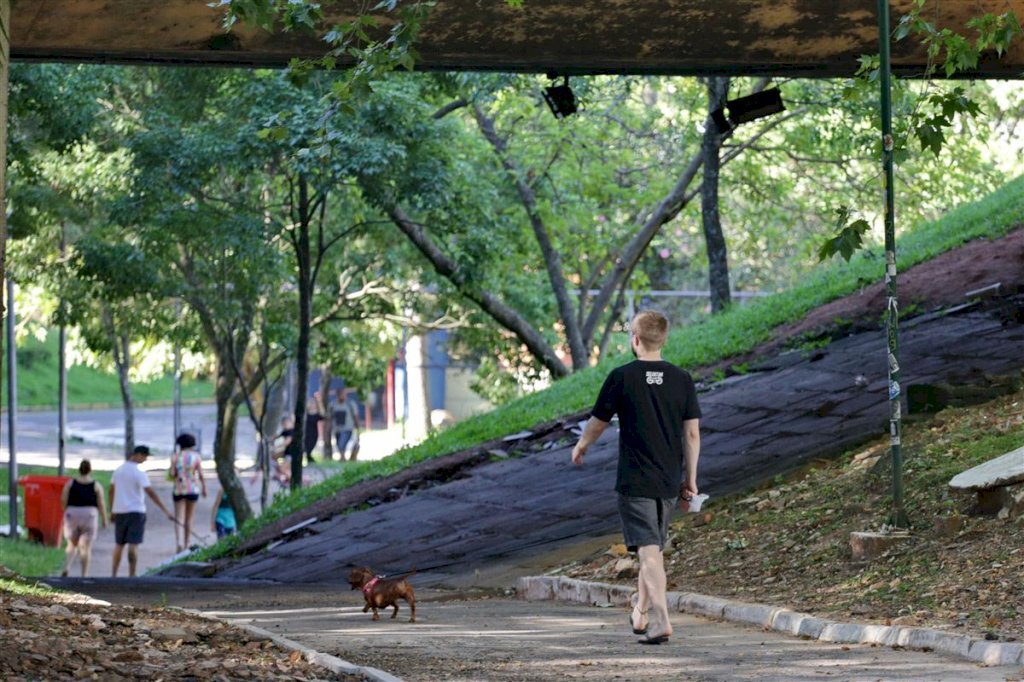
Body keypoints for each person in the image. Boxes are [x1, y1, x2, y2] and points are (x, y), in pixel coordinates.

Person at [571, 310, 701, 645]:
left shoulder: (622, 377)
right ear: (664, 339)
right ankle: (641, 612)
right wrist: (692, 479)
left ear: (636, 339)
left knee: (647, 552)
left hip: (635, 479)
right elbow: (692, 436)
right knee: (653, 549)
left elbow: (598, 421)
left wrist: (582, 444)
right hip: (669, 479)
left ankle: (662, 620)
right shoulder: (681, 378)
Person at [109, 445, 174, 577]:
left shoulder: (118, 471)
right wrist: (166, 510)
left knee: (119, 544)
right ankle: (132, 574)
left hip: (120, 511)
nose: (145, 460)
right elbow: (151, 493)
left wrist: (112, 509)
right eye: (144, 457)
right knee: (133, 544)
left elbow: (111, 491)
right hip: (136, 511)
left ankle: (114, 574)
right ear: (138, 455)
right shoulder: (139, 473)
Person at [60, 459, 108, 577]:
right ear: (90, 470)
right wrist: (104, 519)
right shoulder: (96, 485)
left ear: (79, 469)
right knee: (85, 546)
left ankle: (67, 567)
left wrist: (66, 511)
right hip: (89, 514)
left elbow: (63, 499)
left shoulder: (70, 483)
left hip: (72, 513)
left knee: (71, 544)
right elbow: (101, 503)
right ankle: (84, 574)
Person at [169, 433, 207, 552]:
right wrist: (204, 487)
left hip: (178, 489)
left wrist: (174, 464)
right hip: (192, 489)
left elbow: (172, 474)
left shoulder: (176, 456)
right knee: (189, 518)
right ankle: (186, 543)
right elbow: (200, 474)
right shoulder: (196, 456)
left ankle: (178, 542)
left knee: (179, 517)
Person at [332, 388, 362, 461]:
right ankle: (343, 458)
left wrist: (357, 427)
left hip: (347, 428)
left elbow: (355, 416)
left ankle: (343, 458)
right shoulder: (333, 405)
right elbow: (330, 417)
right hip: (337, 429)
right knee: (338, 444)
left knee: (342, 443)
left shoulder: (350, 404)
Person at [304, 391, 324, 464]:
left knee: (311, 445)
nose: (312, 404)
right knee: (307, 446)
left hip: (314, 433)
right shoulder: (305, 414)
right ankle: (309, 458)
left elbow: (323, 415)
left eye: (313, 403)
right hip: (306, 433)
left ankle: (309, 458)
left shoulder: (316, 414)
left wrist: (319, 401)